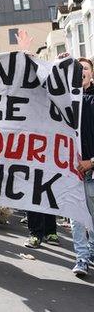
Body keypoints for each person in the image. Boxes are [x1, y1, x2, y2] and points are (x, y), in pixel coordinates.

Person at [71, 56, 94, 276]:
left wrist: (91, 162)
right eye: (77, 68)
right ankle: (81, 258)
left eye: (85, 68)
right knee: (77, 217)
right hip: (73, 171)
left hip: (92, 168)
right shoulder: (66, 99)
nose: (81, 71)